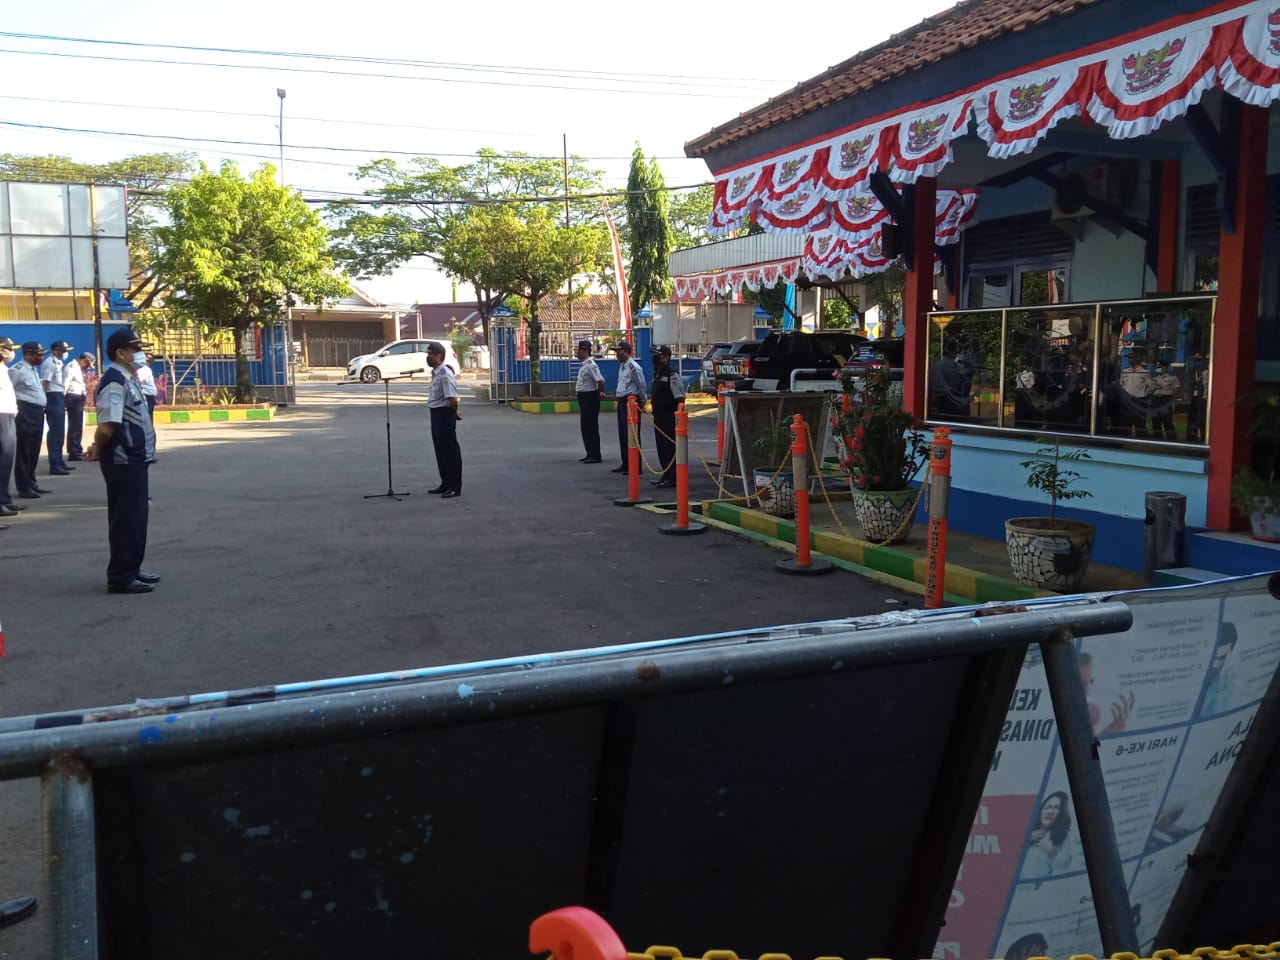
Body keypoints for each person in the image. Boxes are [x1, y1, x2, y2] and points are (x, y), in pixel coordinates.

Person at [85, 327, 159, 594]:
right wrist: (96, 447)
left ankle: (132, 568)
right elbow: (107, 427)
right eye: (135, 349)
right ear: (120, 353)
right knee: (126, 518)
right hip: (124, 460)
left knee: (136, 517)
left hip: (135, 459)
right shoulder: (114, 382)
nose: (141, 353)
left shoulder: (128, 378)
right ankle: (121, 576)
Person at [9, 341, 50, 500]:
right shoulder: (17, 370)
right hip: (25, 412)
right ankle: (24, 486)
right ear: (28, 354)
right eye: (38, 354)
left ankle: (32, 483)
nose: (40, 357)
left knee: (34, 449)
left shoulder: (32, 369)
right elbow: (8, 391)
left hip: (37, 412)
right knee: (25, 450)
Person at [425, 342, 462, 498]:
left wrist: (453, 413)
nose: (428, 357)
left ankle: (454, 486)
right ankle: (445, 483)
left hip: (444, 415)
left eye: (430, 354)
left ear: (439, 356)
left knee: (449, 451)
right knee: (440, 451)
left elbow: (452, 398)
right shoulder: (436, 373)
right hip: (436, 414)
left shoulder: (445, 374)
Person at [649, 345, 685, 488]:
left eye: (660, 355)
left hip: (668, 416)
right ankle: (665, 474)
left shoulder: (672, 375)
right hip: (658, 416)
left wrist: (678, 417)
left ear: (666, 357)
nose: (656, 358)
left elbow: (680, 397)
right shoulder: (657, 373)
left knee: (669, 447)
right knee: (661, 447)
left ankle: (673, 477)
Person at [611, 341, 647, 473]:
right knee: (623, 435)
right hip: (622, 402)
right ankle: (626, 463)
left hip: (631, 403)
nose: (617, 354)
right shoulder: (622, 367)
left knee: (632, 435)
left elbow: (641, 386)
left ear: (626, 352)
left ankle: (635, 466)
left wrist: (641, 403)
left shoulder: (634, 367)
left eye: (619, 351)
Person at [1021, 790, 1074, 880]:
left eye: (1056, 808)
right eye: (1047, 807)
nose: (1050, 812)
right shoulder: (1027, 828)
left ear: (1062, 813)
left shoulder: (1064, 837)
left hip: (1031, 885)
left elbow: (1064, 865)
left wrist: (1050, 851)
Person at [1079, 651, 1135, 734]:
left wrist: (1109, 731)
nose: (1088, 689)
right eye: (1082, 683)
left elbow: (1087, 740)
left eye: (1091, 681)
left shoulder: (1092, 712)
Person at [40, 339, 73, 475]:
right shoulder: (50, 363)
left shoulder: (58, 363)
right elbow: (45, 383)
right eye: (63, 351)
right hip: (52, 396)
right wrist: (44, 401)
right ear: (56, 351)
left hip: (58, 395)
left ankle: (59, 461)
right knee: (55, 432)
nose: (65, 353)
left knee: (60, 432)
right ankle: (54, 464)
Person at [0, 337, 21, 524]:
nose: (12, 352)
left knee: (7, 462)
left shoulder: (4, 369)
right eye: (9, 349)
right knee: (2, 460)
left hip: (8, 416)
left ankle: (5, 499)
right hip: (1, 417)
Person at [574, 339, 604, 463]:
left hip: (590, 398)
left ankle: (595, 455)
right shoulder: (584, 365)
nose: (577, 352)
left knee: (591, 427)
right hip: (584, 398)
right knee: (585, 427)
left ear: (585, 351)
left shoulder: (591, 365)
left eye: (579, 350)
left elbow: (600, 381)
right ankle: (589, 453)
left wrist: (600, 393)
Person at [1200, 622, 1238, 717]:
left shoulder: (1228, 679)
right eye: (1213, 658)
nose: (1215, 665)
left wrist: (1223, 685)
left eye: (1222, 657)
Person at [63, 352, 94, 462]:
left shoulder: (77, 368)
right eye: (87, 364)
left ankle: (77, 449)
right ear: (83, 360)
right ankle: (74, 452)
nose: (87, 367)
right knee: (74, 426)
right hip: (73, 398)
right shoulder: (71, 367)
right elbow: (65, 384)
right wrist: (62, 401)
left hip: (78, 398)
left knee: (77, 426)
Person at [929, 338, 972, 417]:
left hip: (936, 409)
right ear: (954, 351)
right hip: (953, 410)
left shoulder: (935, 367)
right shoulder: (957, 369)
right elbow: (961, 391)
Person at [136, 352, 158, 417]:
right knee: (148, 414)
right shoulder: (145, 369)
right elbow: (138, 380)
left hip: (148, 394)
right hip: (147, 395)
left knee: (149, 414)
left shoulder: (145, 369)